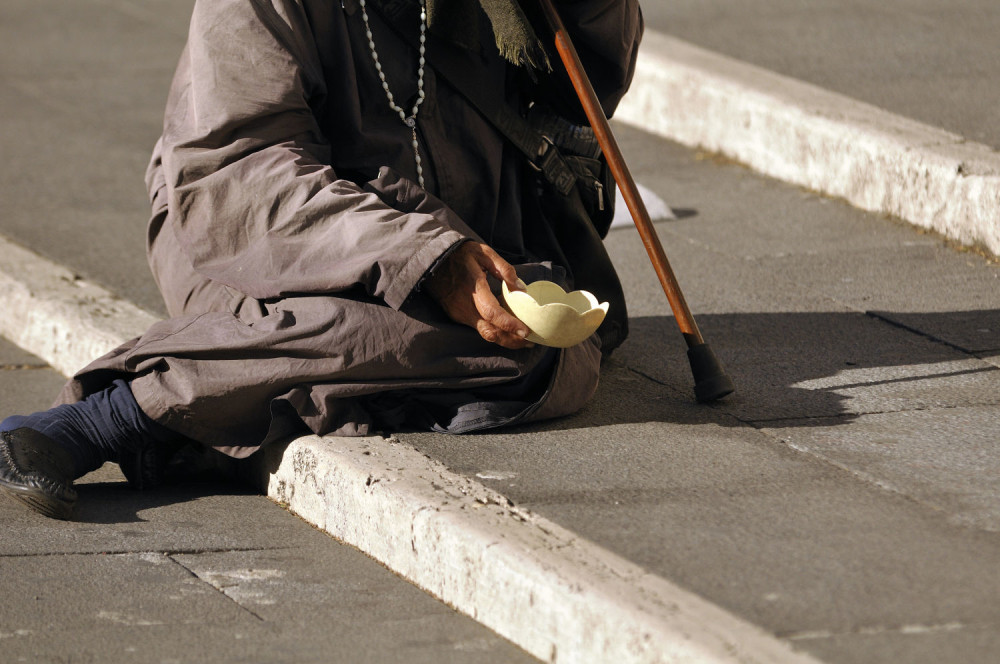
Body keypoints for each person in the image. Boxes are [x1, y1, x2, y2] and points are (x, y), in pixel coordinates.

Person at [0, 0, 643, 519]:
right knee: (394, 330)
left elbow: (589, 81)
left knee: (545, 347)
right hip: (262, 246)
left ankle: (208, 426)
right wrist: (422, 257)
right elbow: (239, 172)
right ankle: (113, 416)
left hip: (467, 239)